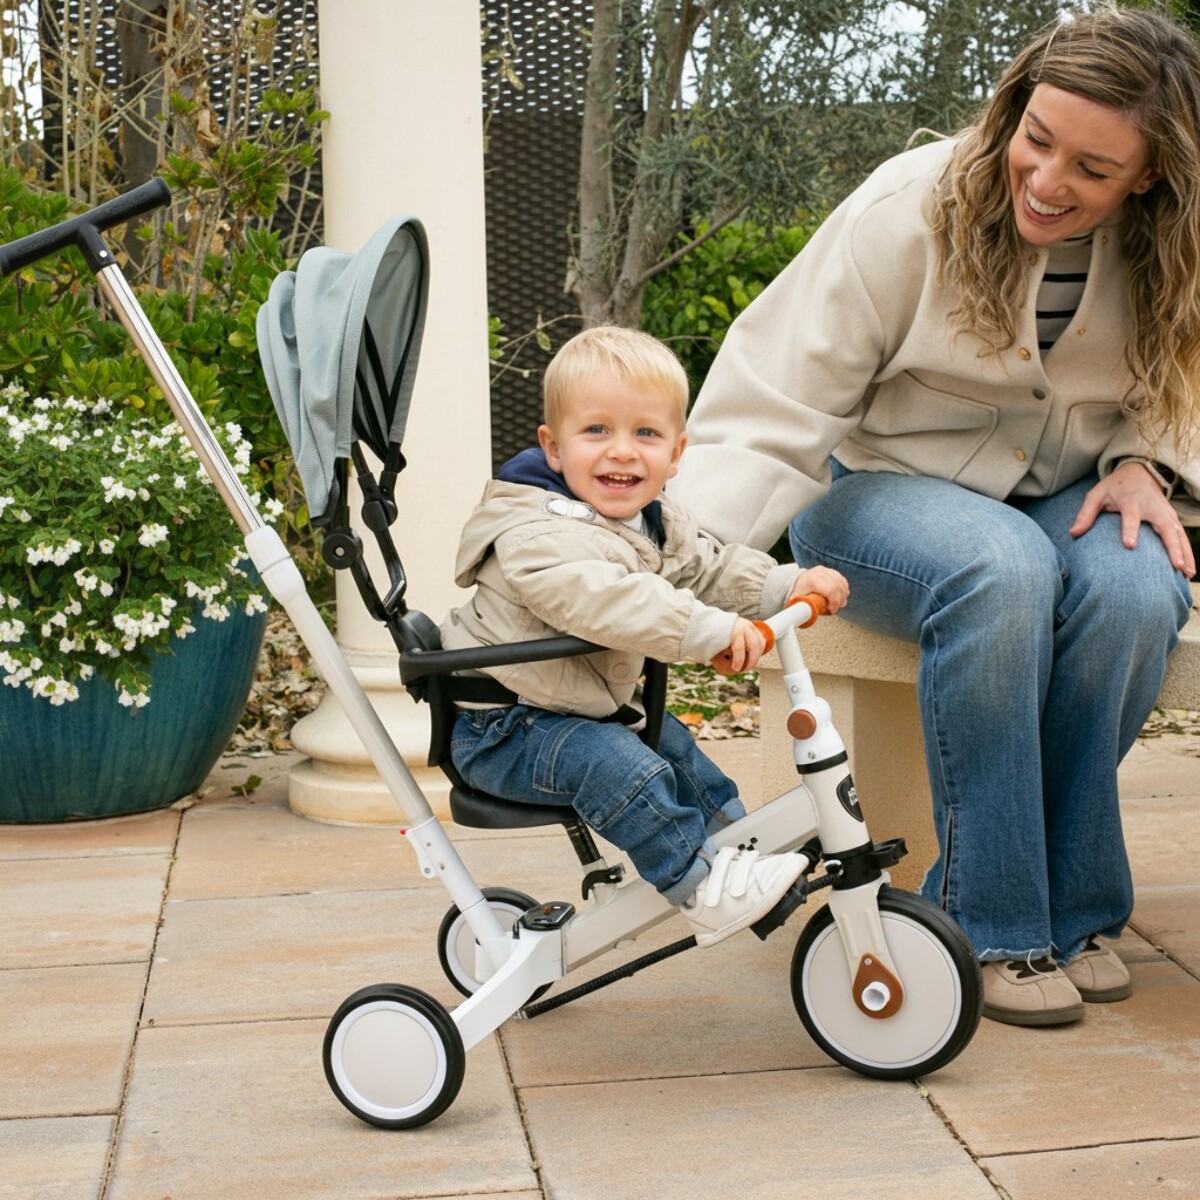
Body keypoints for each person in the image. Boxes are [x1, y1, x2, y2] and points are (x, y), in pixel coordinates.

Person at [671, 4, 1199, 1023]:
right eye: (1035, 141)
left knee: (1137, 586)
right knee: (1000, 569)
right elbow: (772, 403)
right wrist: (669, 566)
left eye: (1092, 170)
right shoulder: (906, 208)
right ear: (1013, 111)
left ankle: (1079, 909)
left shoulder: (1178, 241)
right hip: (874, 503)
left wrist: (1152, 467)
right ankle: (990, 925)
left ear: (1152, 176)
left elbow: (1185, 378)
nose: (1047, 182)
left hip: (1061, 497)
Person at [441, 325, 848, 947]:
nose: (623, 452)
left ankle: (742, 851)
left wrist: (783, 587)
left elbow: (708, 566)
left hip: (574, 709)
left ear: (677, 452)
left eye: (646, 434)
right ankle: (699, 885)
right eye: (596, 430)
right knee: (625, 768)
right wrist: (708, 630)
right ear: (553, 448)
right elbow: (612, 601)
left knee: (677, 754)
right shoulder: (534, 534)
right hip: (505, 729)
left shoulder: (649, 518)